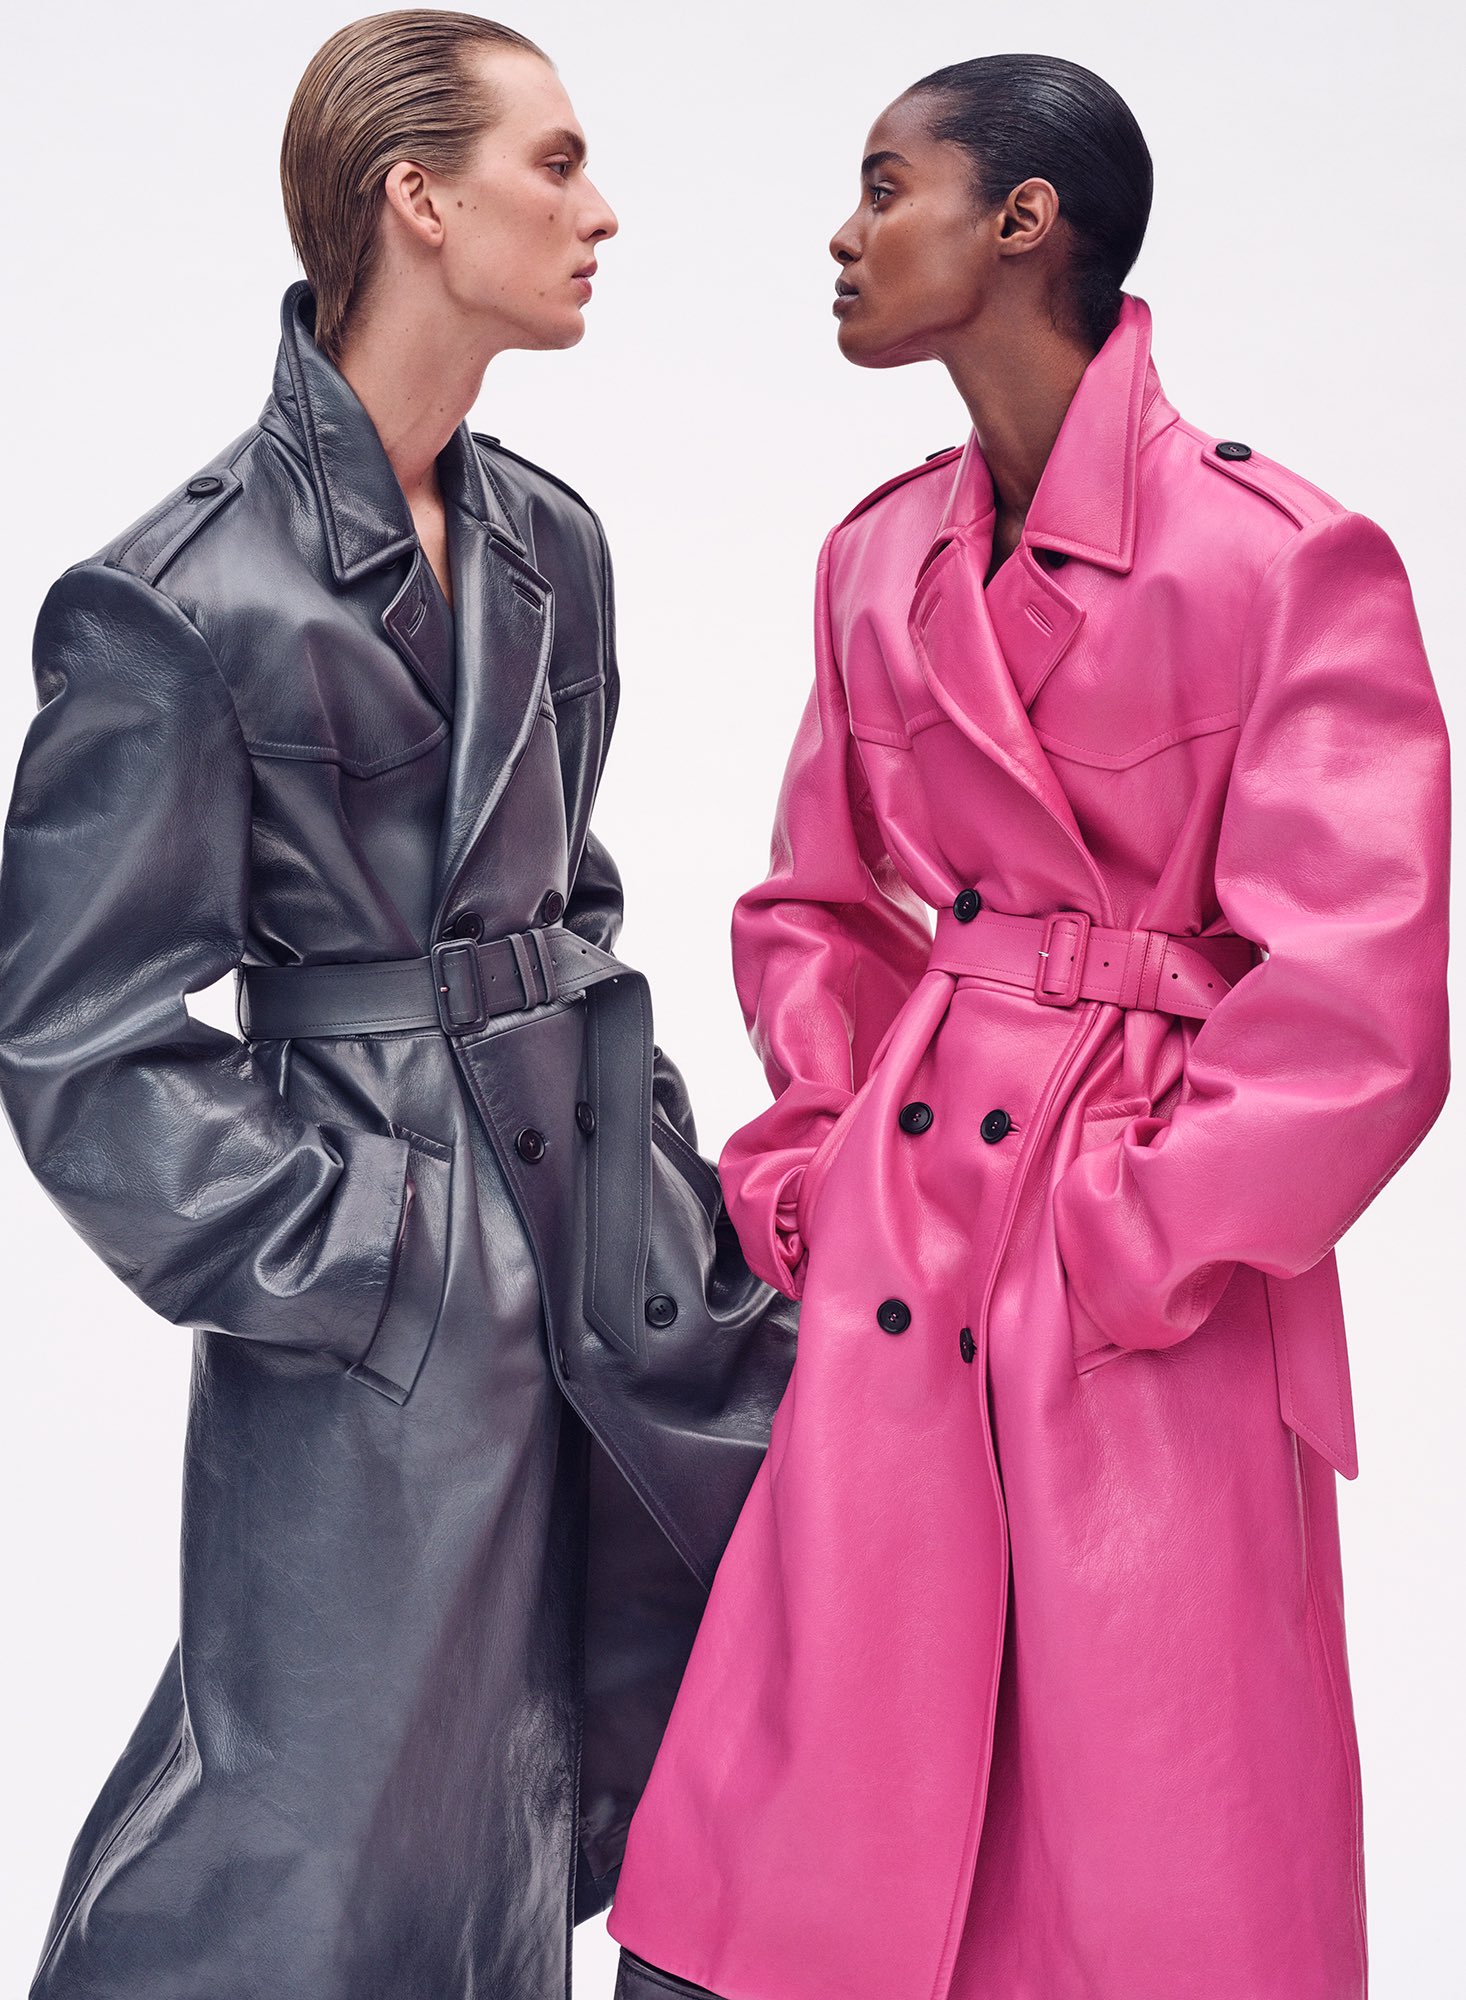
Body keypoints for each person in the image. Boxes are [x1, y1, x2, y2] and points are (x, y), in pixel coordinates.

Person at [608, 51, 1450, 2000]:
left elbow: (1361, 1004)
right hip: (906, 1248)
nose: (842, 229)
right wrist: (818, 1151)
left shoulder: (1278, 556)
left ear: (1023, 222)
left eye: (885, 183)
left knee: (1138, 1834)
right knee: (795, 1828)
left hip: (1135, 1290)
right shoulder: (875, 552)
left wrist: (1128, 1233)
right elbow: (821, 903)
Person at [0, 13, 795, 1998]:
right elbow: (77, 1040)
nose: (600, 211)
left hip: (609, 1266)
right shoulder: (180, 599)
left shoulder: (553, 548)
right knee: (316, 1831)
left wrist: (658, 1205)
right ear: (414, 199)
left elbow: (577, 898)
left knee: (571, 1797)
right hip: (378, 1314)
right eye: (556, 163)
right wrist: (370, 1256)